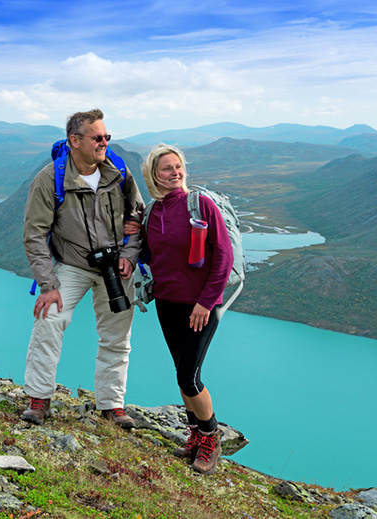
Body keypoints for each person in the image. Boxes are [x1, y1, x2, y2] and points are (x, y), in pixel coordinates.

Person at [21, 109, 144, 430]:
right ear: (74, 141)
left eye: (107, 137)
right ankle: (38, 398)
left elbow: (138, 216)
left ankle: (112, 405)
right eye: (97, 138)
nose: (104, 143)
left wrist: (130, 255)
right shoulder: (51, 179)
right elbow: (34, 233)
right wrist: (48, 285)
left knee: (117, 336)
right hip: (72, 265)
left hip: (115, 265)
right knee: (48, 321)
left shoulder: (118, 171)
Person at [137, 143, 233, 474]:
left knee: (188, 376)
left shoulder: (201, 205)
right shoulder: (151, 212)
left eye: (178, 166)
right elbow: (150, 256)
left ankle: (210, 437)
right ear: (154, 175)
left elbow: (224, 257)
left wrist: (206, 302)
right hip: (167, 302)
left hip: (200, 305)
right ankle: (194, 435)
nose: (175, 172)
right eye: (167, 168)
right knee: (182, 372)